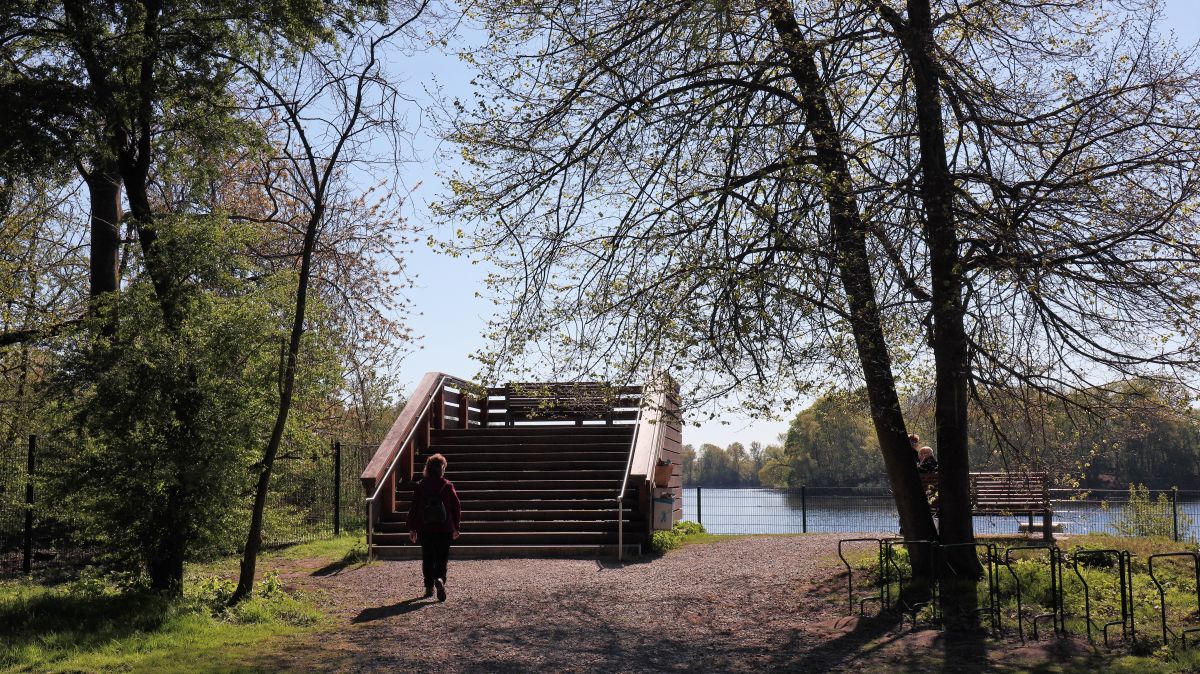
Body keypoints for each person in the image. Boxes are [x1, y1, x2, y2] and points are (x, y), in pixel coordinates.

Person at [406, 453, 461, 602]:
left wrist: (412, 528)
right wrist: (456, 526)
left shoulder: (420, 485)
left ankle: (429, 586)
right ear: (442, 468)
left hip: (425, 527)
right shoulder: (447, 485)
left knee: (428, 557)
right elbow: (456, 507)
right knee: (442, 558)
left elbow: (415, 508)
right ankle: (440, 580)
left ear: (428, 468)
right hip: (444, 528)